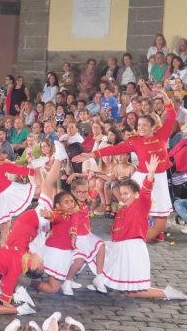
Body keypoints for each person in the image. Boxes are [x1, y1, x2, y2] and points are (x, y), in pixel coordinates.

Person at [74, 85, 174, 241]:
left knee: (160, 219)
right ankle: (135, 239)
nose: (140, 128)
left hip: (159, 179)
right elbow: (113, 150)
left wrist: (167, 100)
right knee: (138, 210)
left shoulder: (162, 135)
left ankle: (148, 235)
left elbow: (172, 117)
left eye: (144, 125)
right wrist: (90, 154)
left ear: (153, 127)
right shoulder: (135, 142)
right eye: (139, 125)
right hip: (142, 178)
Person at [101, 155, 187, 300]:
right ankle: (98, 279)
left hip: (133, 250)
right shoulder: (122, 210)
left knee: (133, 291)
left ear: (136, 195)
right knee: (124, 288)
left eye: (126, 193)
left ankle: (167, 293)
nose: (122, 196)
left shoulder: (140, 205)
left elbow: (146, 190)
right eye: (121, 194)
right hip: (121, 250)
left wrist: (151, 173)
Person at [0, 147, 37, 245]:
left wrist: (33, 171)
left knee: (37, 191)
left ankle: (4, 245)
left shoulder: (0, 164)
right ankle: (4, 245)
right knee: (5, 223)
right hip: (2, 197)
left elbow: (15, 169)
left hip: (10, 190)